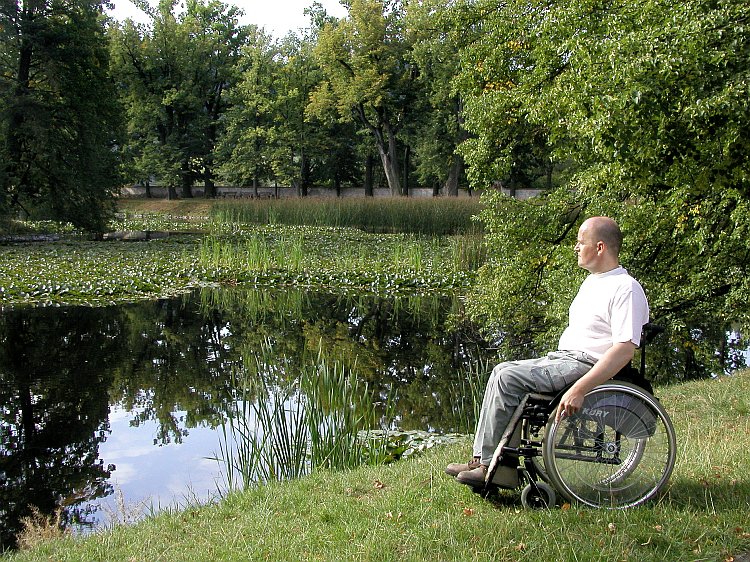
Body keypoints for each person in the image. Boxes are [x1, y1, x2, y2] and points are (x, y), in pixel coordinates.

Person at [447, 216, 649, 487]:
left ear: (600, 247)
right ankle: (490, 461)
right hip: (566, 358)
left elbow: (624, 350)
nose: (575, 248)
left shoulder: (626, 288)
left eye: (581, 242)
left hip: (585, 364)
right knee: (502, 371)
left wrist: (580, 388)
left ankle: (492, 467)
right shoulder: (593, 282)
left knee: (507, 377)